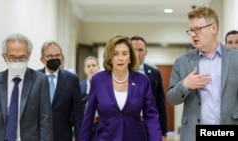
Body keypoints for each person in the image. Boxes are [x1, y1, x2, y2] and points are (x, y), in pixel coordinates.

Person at [167, 6, 238, 141]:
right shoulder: (182, 62)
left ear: (214, 28)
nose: (193, 34)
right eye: (191, 30)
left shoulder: (235, 59)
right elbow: (171, 98)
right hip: (193, 135)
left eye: (198, 29)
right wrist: (185, 85)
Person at [79, 35, 162, 141]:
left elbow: (151, 116)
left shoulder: (142, 81)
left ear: (130, 57)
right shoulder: (98, 80)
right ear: (109, 57)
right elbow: (88, 117)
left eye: (124, 53)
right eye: (115, 54)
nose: (120, 58)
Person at [0, 33, 53, 141]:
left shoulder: (40, 81)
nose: (17, 62)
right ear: (4, 56)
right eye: (12, 57)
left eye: (22, 57)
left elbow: (45, 120)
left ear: (29, 56)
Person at [38, 40, 83, 141]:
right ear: (42, 59)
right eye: (50, 56)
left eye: (57, 55)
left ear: (62, 57)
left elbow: (78, 114)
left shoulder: (72, 79)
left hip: (63, 136)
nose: (54, 58)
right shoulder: (34, 78)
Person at [131, 35, 168, 141]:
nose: (137, 53)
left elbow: (160, 104)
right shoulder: (120, 73)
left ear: (145, 52)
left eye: (140, 50)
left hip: (148, 127)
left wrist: (163, 131)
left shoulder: (154, 73)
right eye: (134, 50)